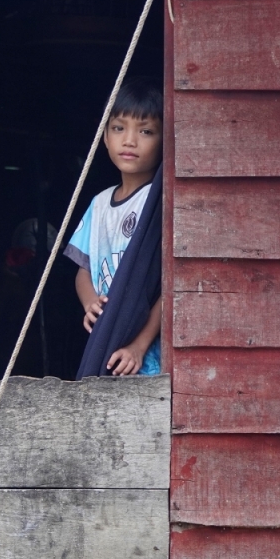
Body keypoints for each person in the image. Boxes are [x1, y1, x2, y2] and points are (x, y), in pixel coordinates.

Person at [66, 77, 164, 376]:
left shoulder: (160, 201)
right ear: (104, 137)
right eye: (119, 128)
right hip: (107, 337)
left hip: (149, 353)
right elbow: (83, 270)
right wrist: (90, 302)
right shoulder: (99, 204)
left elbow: (173, 288)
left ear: (165, 140)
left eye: (145, 131)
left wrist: (139, 345)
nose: (129, 141)